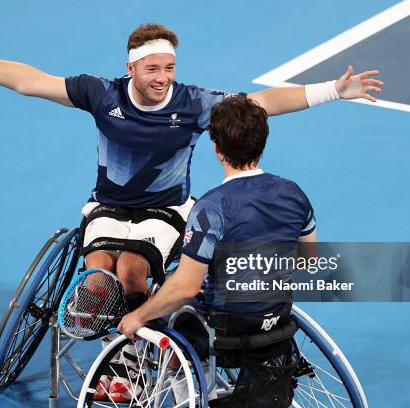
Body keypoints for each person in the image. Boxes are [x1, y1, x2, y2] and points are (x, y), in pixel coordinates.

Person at [0, 24, 379, 299]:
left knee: (132, 273)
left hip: (167, 211)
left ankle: (134, 352)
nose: (162, 78)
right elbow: (31, 81)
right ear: (132, 67)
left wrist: (333, 91)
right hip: (107, 207)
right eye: (152, 69)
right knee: (98, 277)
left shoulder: (195, 104)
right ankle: (112, 343)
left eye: (169, 68)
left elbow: (262, 102)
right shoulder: (102, 94)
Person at [118, 95, 317, 406]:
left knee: (171, 306)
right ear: (261, 141)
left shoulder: (210, 208)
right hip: (277, 318)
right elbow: (309, 259)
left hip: (227, 329)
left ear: (217, 148)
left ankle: (198, 396)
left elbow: (186, 287)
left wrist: (138, 316)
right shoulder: (294, 194)